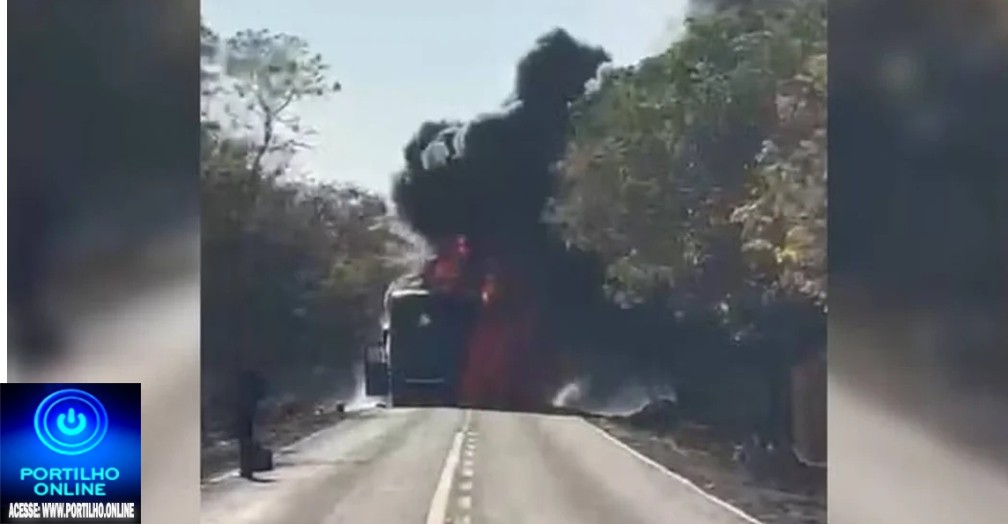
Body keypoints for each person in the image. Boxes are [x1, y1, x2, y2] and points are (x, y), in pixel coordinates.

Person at [235, 368, 266, 479]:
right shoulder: (254, 380)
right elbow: (261, 394)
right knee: (248, 441)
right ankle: (248, 468)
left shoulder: (239, 381)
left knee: (244, 442)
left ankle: (246, 468)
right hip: (250, 413)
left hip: (243, 414)